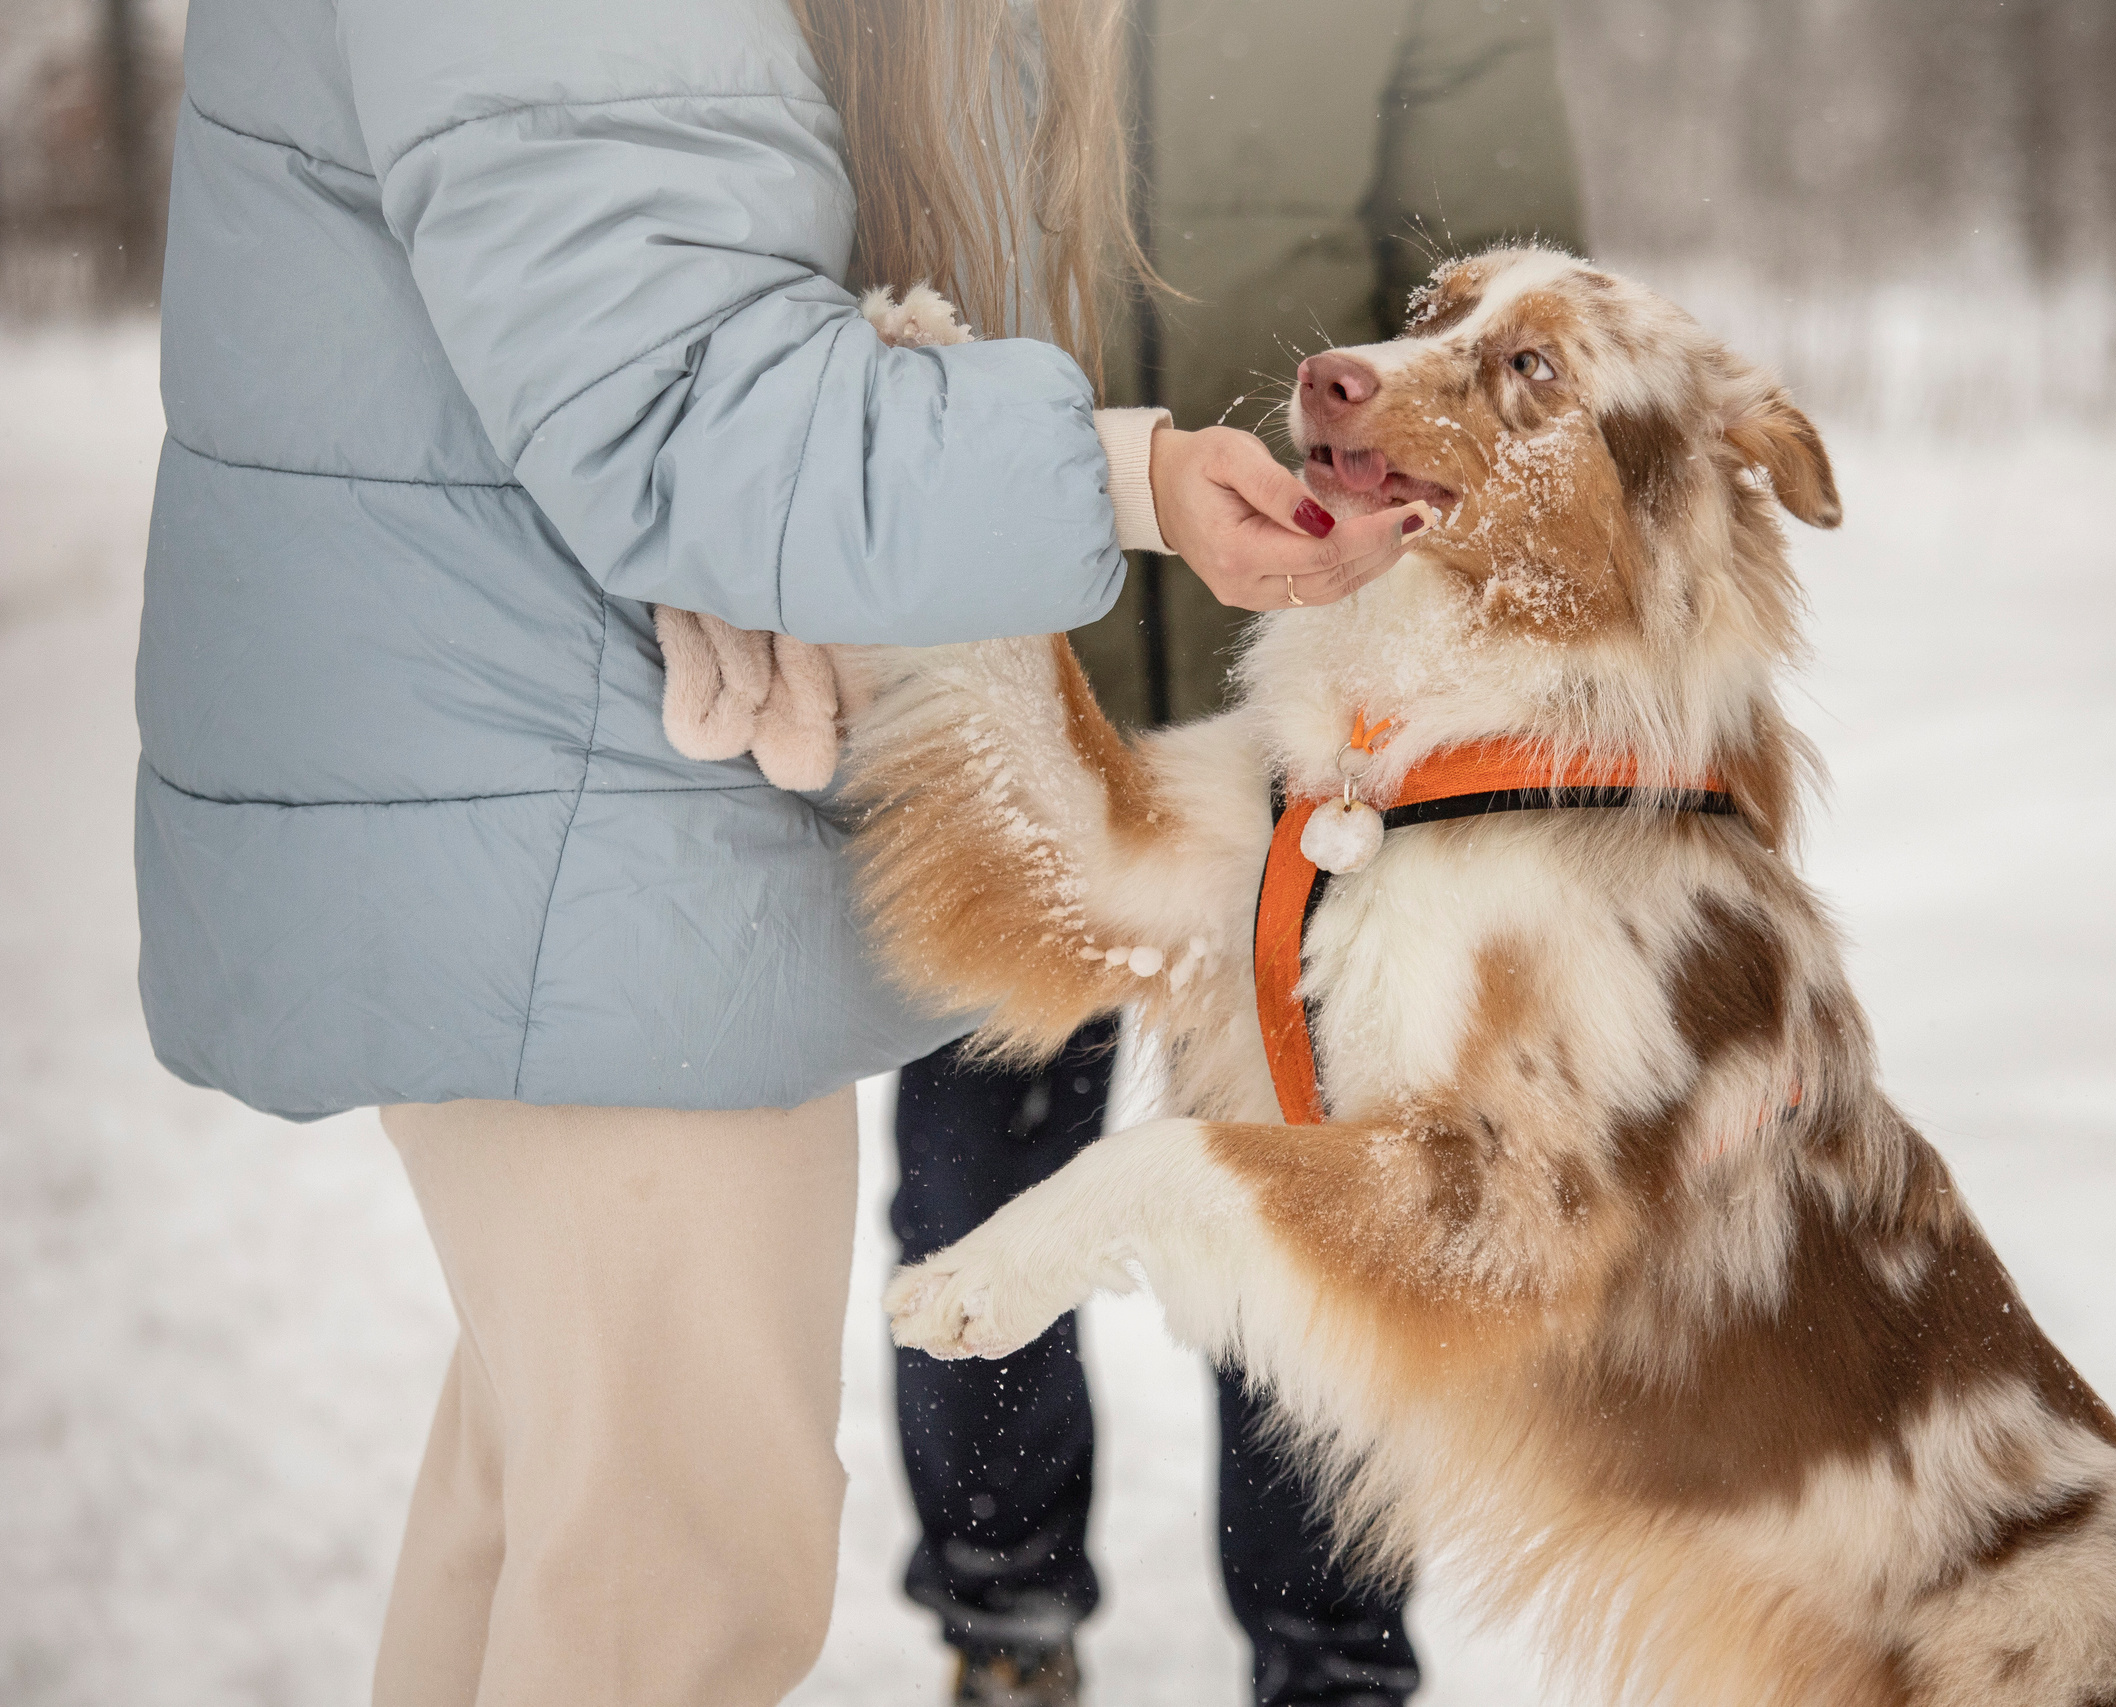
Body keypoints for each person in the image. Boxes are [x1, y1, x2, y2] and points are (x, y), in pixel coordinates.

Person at [132, 1, 1435, 1702]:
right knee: (676, 1569)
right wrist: (1128, 474)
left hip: (591, 810)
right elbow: (694, 407)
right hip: (574, 819)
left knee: (571, 1523)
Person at [886, 3, 1588, 1703]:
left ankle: (1335, 1659)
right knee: (981, 1182)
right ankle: (1006, 1616)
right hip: (994, 644)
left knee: (1311, 1204)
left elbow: (1510, 313)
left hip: (1322, 705)